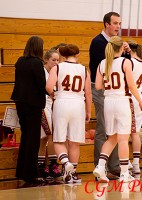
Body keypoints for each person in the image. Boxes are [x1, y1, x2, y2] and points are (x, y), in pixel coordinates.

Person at [93, 36, 142, 183]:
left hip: (108, 101)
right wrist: (141, 102)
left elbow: (97, 86)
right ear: (121, 48)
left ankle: (100, 166)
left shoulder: (102, 63)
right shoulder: (125, 62)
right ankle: (124, 173)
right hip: (122, 100)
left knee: (111, 138)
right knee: (123, 138)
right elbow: (132, 85)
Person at [89, 12, 131, 179]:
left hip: (114, 92)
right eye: (114, 23)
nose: (118, 27)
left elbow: (120, 66)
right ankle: (102, 166)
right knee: (103, 130)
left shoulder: (116, 47)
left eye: (119, 23)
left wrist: (126, 52)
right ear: (106, 24)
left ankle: (115, 166)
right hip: (103, 90)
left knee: (116, 134)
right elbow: (109, 66)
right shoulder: (98, 42)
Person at [46, 44, 92, 183]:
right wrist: (88, 111)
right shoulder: (84, 69)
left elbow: (48, 86)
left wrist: (55, 95)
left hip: (62, 102)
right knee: (74, 142)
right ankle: (73, 174)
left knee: (59, 140)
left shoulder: (57, 67)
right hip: (78, 104)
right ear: (77, 55)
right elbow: (88, 93)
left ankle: (66, 164)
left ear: (63, 55)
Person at [11, 36, 47, 184]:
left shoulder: (20, 61)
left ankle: (21, 171)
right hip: (33, 103)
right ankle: (31, 174)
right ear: (39, 47)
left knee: (25, 136)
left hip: (20, 101)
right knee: (33, 139)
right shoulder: (37, 63)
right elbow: (41, 85)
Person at [38, 49, 61, 179]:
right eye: (54, 60)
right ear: (46, 60)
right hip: (44, 105)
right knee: (49, 136)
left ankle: (44, 165)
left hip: (52, 106)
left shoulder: (55, 72)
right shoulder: (43, 71)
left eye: (58, 60)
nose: (56, 62)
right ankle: (51, 165)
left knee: (46, 138)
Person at [127, 40, 142, 174]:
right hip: (139, 97)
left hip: (128, 97)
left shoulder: (129, 63)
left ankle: (125, 162)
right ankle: (135, 164)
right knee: (135, 133)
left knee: (121, 133)